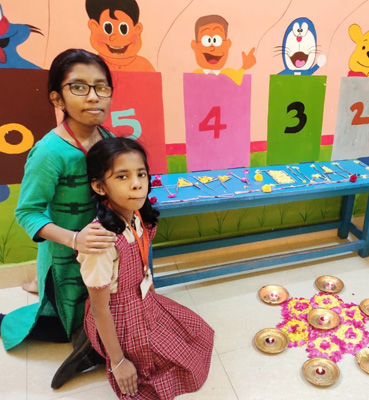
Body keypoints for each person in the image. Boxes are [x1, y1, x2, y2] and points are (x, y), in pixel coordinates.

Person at [0, 48, 117, 388]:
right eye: (79, 87)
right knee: (70, 326)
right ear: (57, 98)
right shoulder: (49, 152)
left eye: (101, 86)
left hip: (102, 252)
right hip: (65, 259)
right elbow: (27, 212)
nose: (93, 96)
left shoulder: (109, 140)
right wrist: (75, 239)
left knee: (107, 311)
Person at [81, 137, 214, 399]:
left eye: (141, 174)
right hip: (119, 317)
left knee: (198, 334)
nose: (137, 184)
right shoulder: (101, 242)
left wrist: (149, 290)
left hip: (144, 300)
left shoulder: (137, 216)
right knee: (157, 374)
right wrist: (118, 361)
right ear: (99, 186)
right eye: (122, 176)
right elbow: (99, 308)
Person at [86, 0, 155, 72]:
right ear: (94, 27)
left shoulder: (144, 66)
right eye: (108, 29)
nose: (115, 37)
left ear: (137, 29)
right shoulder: (93, 66)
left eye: (124, 29)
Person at [191, 14, 256, 85]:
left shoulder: (230, 74)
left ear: (227, 44)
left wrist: (244, 67)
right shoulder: (195, 75)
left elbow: (238, 81)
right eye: (206, 41)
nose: (212, 48)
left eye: (217, 40)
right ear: (195, 45)